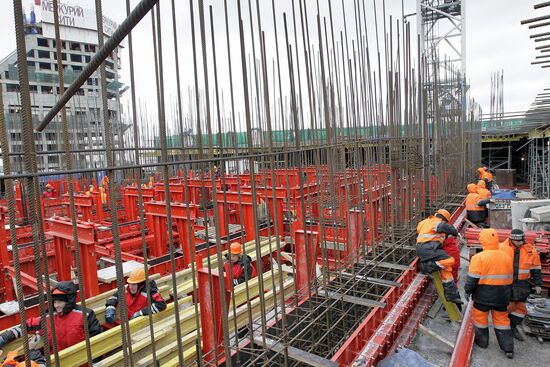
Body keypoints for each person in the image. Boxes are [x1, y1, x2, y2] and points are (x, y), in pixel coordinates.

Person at [0, 281, 101, 352]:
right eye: (54, 302)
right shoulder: (49, 317)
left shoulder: (85, 315)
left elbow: (97, 341)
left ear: (69, 300)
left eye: (60, 302)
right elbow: (28, 325)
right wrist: (5, 337)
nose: (56, 305)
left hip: (81, 361)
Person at [465, 228, 514, 358]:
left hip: (483, 296)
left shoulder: (478, 258)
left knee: (480, 319)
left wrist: (467, 291)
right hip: (502, 296)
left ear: (482, 241)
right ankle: (508, 348)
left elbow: (472, 279)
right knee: (502, 321)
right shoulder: (507, 257)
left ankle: (483, 342)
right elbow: (511, 278)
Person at [499, 229, 543, 341]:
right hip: (505, 283)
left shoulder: (530, 250)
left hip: (522, 284)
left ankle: (513, 326)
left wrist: (538, 284)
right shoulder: (501, 248)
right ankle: (504, 328)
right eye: (517, 241)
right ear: (511, 239)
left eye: (521, 240)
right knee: (506, 306)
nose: (520, 243)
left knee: (520, 308)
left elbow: (536, 268)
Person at [416, 209, 462, 304]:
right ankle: (426, 267)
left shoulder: (424, 222)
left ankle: (451, 295)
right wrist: (455, 232)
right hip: (429, 247)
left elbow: (419, 229)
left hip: (424, 248)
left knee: (447, 269)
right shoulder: (436, 222)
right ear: (444, 220)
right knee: (450, 260)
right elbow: (441, 226)